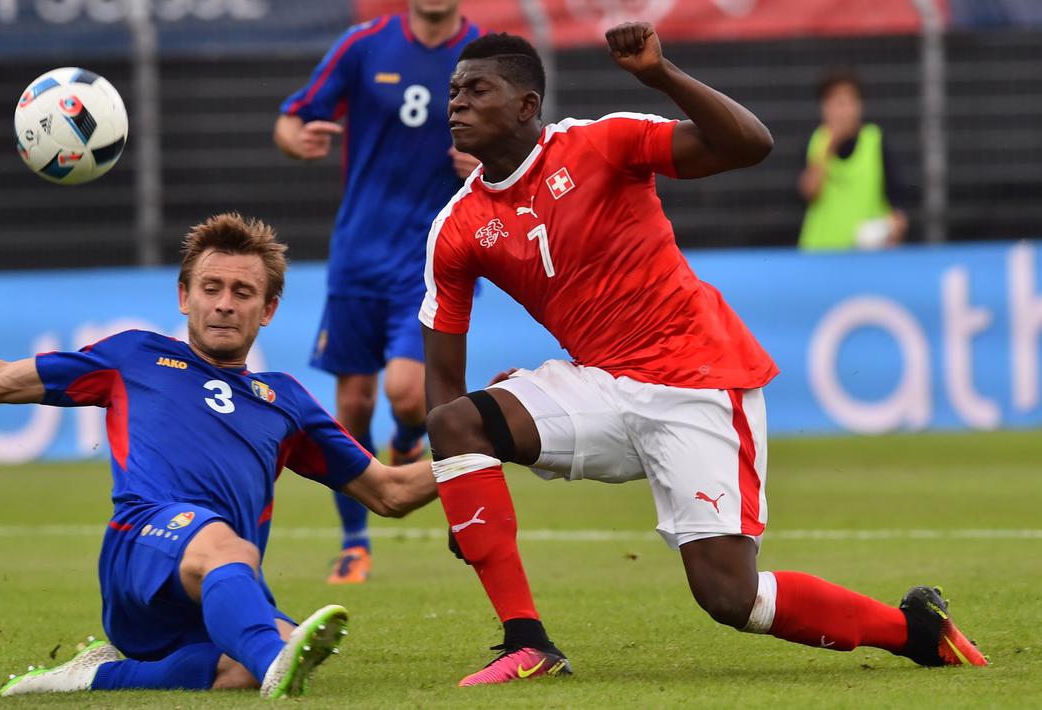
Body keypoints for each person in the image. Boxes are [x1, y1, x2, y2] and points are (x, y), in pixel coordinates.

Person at [420, 26, 987, 686]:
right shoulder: (456, 228)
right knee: (455, 422)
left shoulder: (601, 143)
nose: (456, 102)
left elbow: (749, 144)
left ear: (525, 105)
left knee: (729, 598)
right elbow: (440, 375)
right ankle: (527, 644)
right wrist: (459, 487)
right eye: (453, 90)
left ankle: (914, 632)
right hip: (601, 385)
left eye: (476, 89)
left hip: (700, 380)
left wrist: (660, 74)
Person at [0, 213, 439, 698]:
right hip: (142, 547)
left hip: (214, 585)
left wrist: (484, 442)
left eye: (243, 292)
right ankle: (270, 654)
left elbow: (389, 491)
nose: (225, 302)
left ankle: (100, 677)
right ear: (183, 296)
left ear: (269, 308)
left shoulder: (286, 401)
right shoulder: (133, 358)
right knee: (247, 589)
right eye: (212, 287)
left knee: (239, 668)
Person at [273, 0, 481, 584]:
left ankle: (411, 439)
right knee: (355, 405)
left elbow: (528, 153)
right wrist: (298, 141)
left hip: (434, 256)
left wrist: (489, 162)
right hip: (357, 258)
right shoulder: (365, 46)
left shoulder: (486, 55)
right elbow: (290, 120)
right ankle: (355, 541)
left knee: (408, 394)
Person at [798, 67, 908, 250]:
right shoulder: (816, 142)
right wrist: (829, 147)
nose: (844, 111)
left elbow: (898, 207)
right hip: (820, 254)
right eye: (837, 103)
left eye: (849, 103)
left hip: (866, 257)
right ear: (824, 107)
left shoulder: (876, 142)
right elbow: (808, 193)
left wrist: (892, 230)